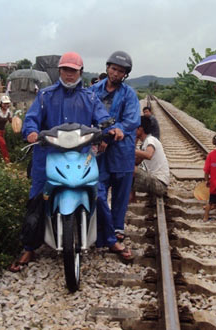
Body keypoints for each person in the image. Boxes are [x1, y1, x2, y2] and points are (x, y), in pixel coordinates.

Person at [10, 52, 127, 272]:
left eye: (73, 70)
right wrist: (32, 132)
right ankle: (29, 247)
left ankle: (110, 239)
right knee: (36, 198)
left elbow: (103, 118)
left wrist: (112, 129)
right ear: (59, 71)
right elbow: (31, 120)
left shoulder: (90, 98)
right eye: (65, 69)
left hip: (81, 157)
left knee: (99, 194)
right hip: (48, 156)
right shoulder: (45, 96)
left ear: (80, 72)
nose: (68, 74)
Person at [89, 51, 140, 246]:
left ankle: (117, 229)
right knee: (98, 191)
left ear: (125, 74)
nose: (116, 73)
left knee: (120, 193)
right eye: (113, 68)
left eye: (121, 71)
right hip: (98, 151)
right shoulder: (93, 91)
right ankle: (102, 229)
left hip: (122, 151)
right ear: (107, 68)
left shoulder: (130, 95)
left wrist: (115, 131)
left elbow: (132, 120)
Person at [133, 116, 170, 197]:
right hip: (156, 183)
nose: (133, 130)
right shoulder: (144, 144)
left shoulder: (150, 140)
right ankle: (131, 199)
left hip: (160, 184)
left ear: (141, 129)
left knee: (130, 169)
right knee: (129, 168)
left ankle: (131, 200)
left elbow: (149, 155)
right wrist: (134, 143)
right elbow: (136, 162)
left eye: (135, 128)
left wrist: (131, 151)